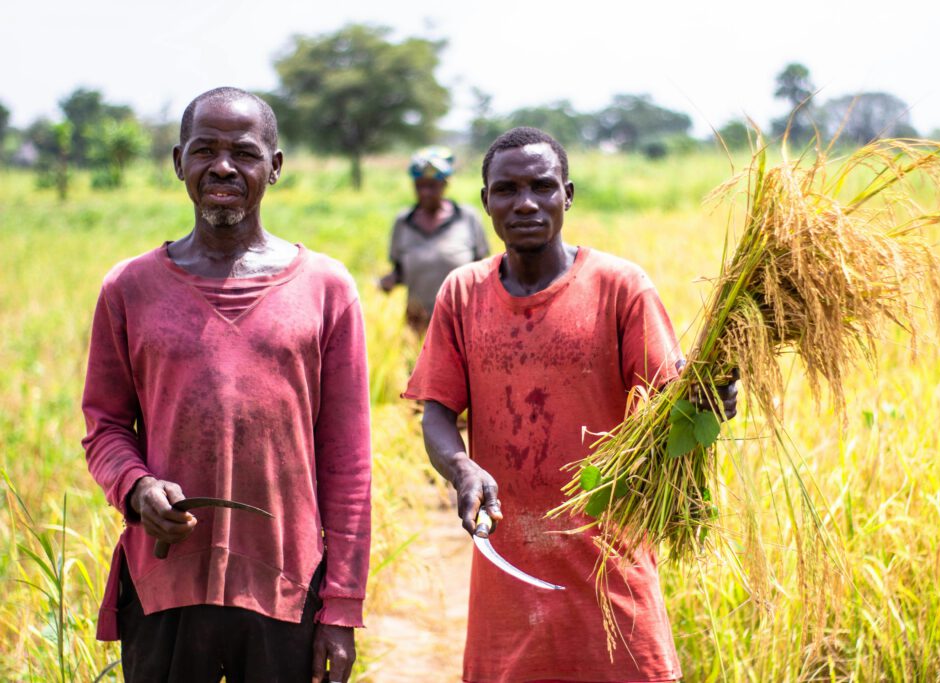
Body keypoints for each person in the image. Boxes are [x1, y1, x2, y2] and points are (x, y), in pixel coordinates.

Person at [403, 127, 737, 682]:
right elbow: (437, 409)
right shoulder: (463, 293)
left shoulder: (619, 287)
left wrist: (706, 399)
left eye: (543, 186)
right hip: (510, 573)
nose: (526, 203)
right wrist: (461, 467)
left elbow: (672, 402)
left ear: (569, 194)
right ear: (485, 201)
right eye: (507, 190)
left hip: (611, 568)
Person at [81, 87, 370, 683]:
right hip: (165, 582)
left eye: (244, 152)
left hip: (286, 586)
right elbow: (105, 426)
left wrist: (341, 607)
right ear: (178, 162)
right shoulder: (129, 288)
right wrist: (135, 489)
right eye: (204, 149)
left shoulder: (326, 288)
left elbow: (349, 461)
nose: (223, 166)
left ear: (275, 166)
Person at [379, 146, 490, 333]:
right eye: (419, 185)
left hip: (462, 321)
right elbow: (400, 271)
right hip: (417, 321)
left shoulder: (466, 218)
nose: (425, 192)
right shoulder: (403, 222)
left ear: (445, 184)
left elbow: (484, 271)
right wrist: (387, 282)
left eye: (432, 185)